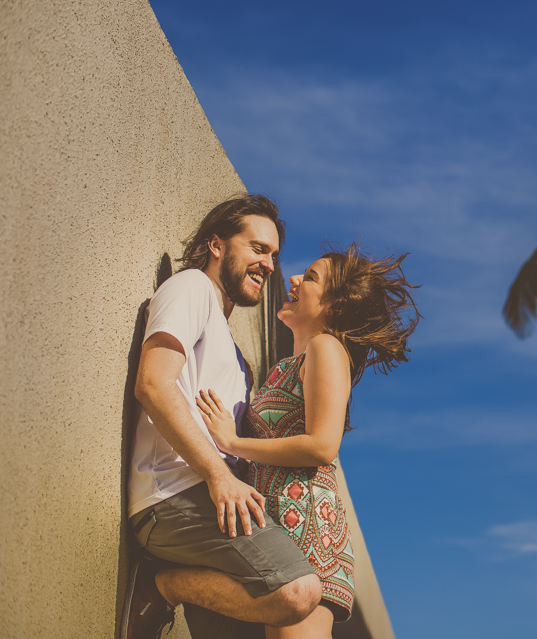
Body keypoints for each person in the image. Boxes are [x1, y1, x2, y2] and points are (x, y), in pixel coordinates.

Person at [194, 243, 420, 637]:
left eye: (311, 278)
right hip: (282, 529)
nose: (294, 279)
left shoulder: (326, 347)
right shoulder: (287, 366)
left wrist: (231, 442)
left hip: (308, 535)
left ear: (335, 308)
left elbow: (322, 446)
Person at [122, 195, 322, 639]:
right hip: (174, 497)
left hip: (216, 510)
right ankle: (163, 585)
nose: (268, 264)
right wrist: (218, 474)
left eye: (273, 254)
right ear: (217, 245)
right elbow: (154, 383)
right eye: (257, 248)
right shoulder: (191, 287)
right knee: (298, 591)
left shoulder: (237, 358)